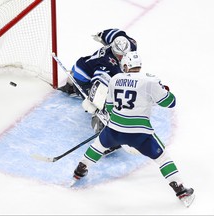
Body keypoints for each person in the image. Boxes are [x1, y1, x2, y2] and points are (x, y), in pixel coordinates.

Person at [71, 51, 195, 207]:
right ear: (139, 66)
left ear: (125, 66)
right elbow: (170, 102)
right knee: (163, 158)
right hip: (140, 134)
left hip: (114, 130)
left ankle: (80, 170)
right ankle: (180, 189)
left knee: (98, 146)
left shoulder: (115, 79)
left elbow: (109, 107)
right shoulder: (150, 81)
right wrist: (163, 89)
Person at [58, 28, 137, 96]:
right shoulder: (107, 61)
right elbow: (98, 80)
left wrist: (102, 34)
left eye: (124, 54)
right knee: (101, 95)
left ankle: (72, 80)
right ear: (113, 50)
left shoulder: (131, 44)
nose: (122, 57)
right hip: (82, 75)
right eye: (119, 55)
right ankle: (73, 85)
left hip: (86, 63)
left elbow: (117, 33)